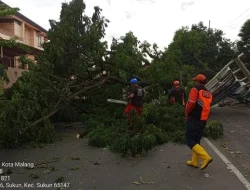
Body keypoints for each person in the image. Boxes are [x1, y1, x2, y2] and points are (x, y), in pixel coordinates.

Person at [185, 74, 213, 170]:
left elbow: (191, 103)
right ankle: (194, 162)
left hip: (194, 118)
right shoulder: (209, 93)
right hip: (203, 119)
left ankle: (206, 157)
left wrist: (187, 113)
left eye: (195, 81)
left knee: (189, 140)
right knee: (196, 140)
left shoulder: (195, 89)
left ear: (197, 81)